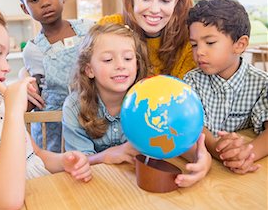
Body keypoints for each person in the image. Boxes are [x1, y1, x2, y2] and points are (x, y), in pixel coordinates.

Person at [0, 5, 92, 210]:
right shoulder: (2, 111)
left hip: (43, 199)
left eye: (6, 57)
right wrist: (14, 113)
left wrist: (63, 161)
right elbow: (6, 199)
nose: (6, 67)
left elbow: (35, 155)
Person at [63, 23, 211, 187]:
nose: (120, 65)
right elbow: (77, 163)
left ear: (137, 64)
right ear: (89, 69)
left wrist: (203, 160)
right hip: (96, 189)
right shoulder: (74, 107)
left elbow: (186, 147)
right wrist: (106, 156)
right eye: (108, 59)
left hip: (138, 189)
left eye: (128, 58)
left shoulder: (154, 99)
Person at [183, 0, 268, 174]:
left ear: (239, 45)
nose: (199, 52)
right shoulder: (191, 82)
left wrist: (246, 154)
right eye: (194, 44)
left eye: (210, 43)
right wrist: (217, 149)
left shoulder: (262, 83)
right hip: (208, 165)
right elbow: (194, 125)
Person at [16, 0, 93, 152]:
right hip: (55, 128)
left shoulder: (89, 30)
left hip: (90, 118)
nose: (44, 2)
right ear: (25, 8)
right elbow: (36, 89)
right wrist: (23, 90)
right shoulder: (33, 49)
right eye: (34, 0)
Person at [98, 0, 196, 79]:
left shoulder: (190, 39)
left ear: (177, 0)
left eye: (165, 0)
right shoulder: (107, 28)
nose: (155, 9)